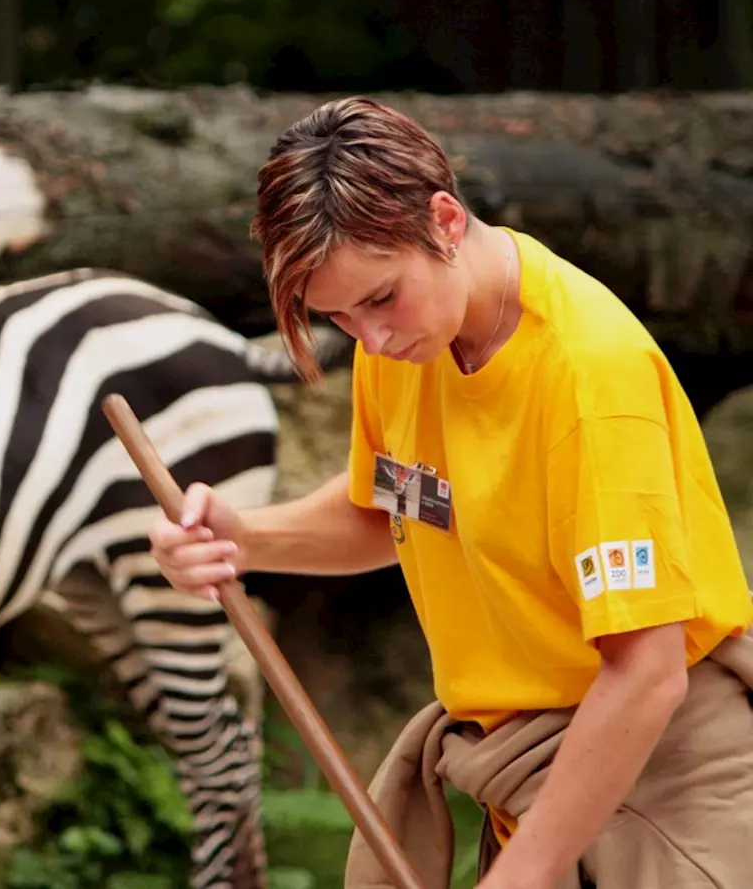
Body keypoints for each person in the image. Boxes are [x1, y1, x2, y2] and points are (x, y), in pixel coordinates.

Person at [148, 96, 753, 888]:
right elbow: (397, 506)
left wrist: (528, 869)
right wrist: (244, 536)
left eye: (379, 299)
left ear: (445, 220)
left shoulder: (589, 375)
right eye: (335, 317)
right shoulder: (403, 343)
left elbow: (646, 671)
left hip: (662, 774)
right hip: (522, 768)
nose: (370, 338)